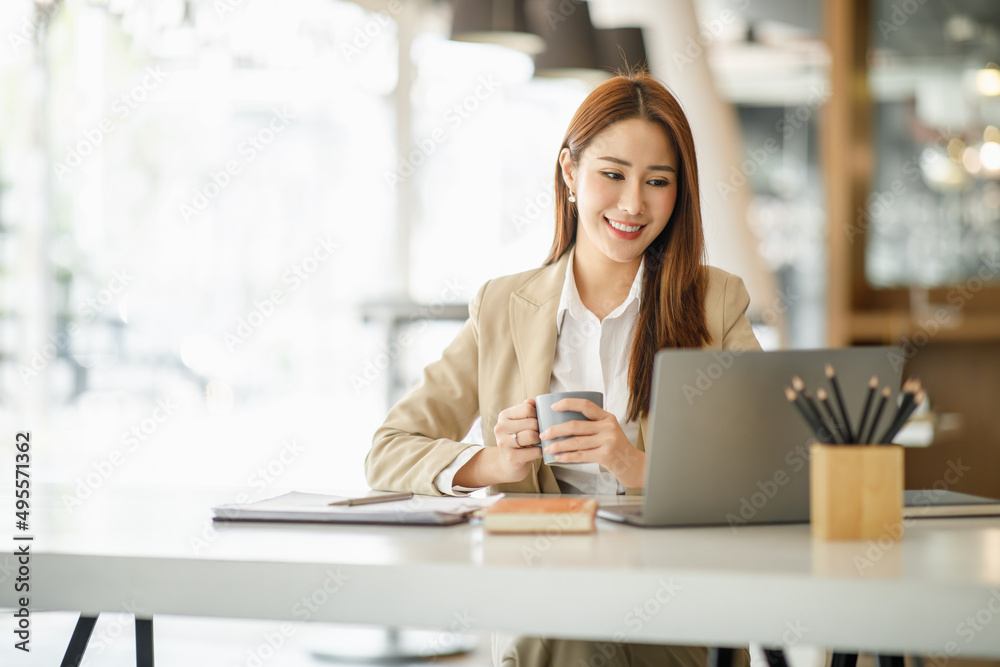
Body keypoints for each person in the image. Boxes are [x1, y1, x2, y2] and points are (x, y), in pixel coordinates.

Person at [366, 69, 760, 667]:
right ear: (570, 172)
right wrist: (493, 462)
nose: (633, 203)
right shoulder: (502, 306)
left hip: (673, 598)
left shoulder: (715, 302)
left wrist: (634, 464)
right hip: (545, 600)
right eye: (613, 174)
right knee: (570, 622)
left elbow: (767, 473)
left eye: (658, 181)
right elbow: (389, 451)